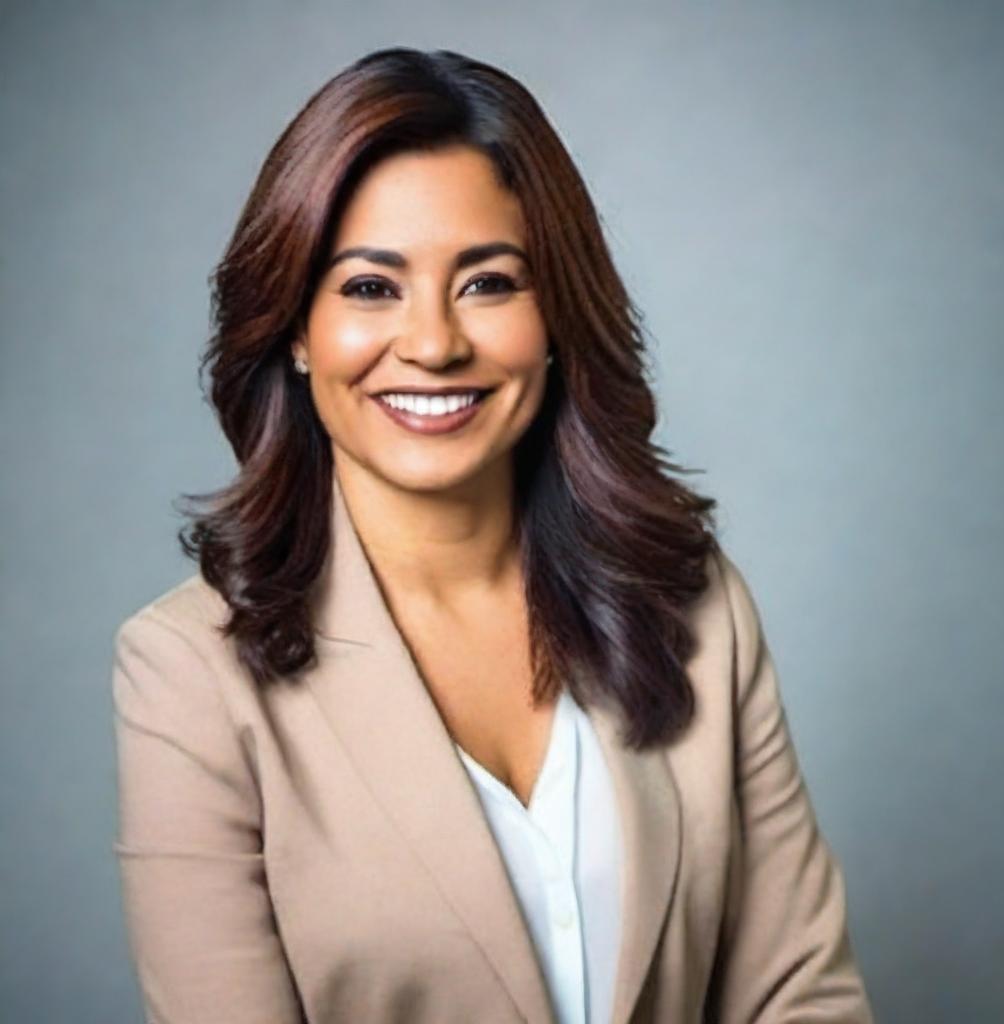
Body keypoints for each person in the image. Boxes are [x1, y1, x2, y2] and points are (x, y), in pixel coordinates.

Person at [110, 46, 875, 1024]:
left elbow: (799, 992)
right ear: (296, 329)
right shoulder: (186, 674)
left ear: (554, 312)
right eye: (370, 288)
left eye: (488, 282)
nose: (433, 343)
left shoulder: (694, 604)